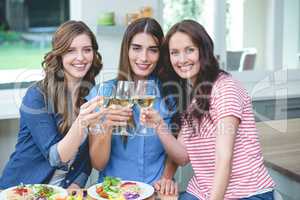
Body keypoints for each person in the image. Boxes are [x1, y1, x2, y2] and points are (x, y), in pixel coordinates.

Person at [141, 19, 275, 200]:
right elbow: (182, 156)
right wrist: (158, 125)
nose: (181, 59)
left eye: (190, 50)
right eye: (175, 53)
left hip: (246, 193)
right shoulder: (193, 97)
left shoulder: (225, 88)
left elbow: (223, 158)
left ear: (203, 51)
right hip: (202, 191)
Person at [0, 20, 103, 189]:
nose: (81, 57)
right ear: (59, 55)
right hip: (22, 191)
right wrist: (81, 123)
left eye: (87, 50)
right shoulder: (37, 96)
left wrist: (77, 185)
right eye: (71, 50)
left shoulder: (91, 96)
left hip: (61, 193)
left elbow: (86, 159)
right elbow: (56, 157)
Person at [88, 17, 178, 195]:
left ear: (161, 54)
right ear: (126, 50)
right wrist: (106, 126)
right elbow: (98, 163)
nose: (144, 58)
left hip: (155, 191)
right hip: (113, 191)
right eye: (136, 48)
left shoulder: (171, 95)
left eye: (152, 50)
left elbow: (176, 150)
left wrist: (166, 178)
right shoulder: (102, 93)